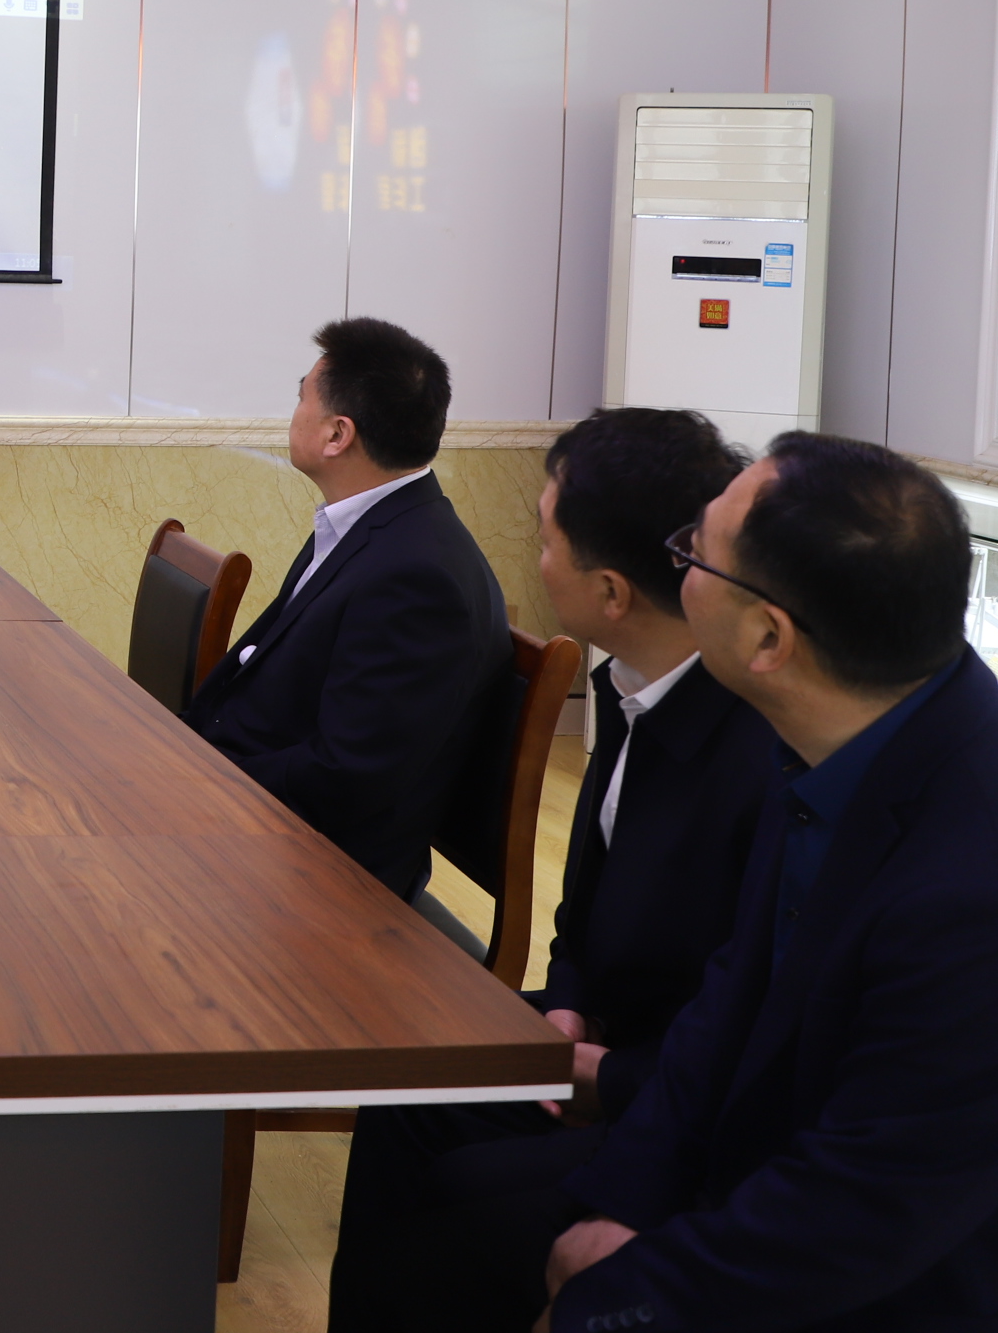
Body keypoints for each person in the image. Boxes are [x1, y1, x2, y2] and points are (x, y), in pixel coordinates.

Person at [539, 434, 998, 1333]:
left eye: (694, 553)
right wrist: (622, 1200)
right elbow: (731, 1006)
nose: (674, 568)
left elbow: (864, 1214)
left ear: (769, 637)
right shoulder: (846, 738)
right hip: (801, 1190)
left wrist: (620, 1299)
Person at [326, 407, 781, 1331]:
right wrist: (568, 999)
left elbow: (748, 1017)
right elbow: (585, 912)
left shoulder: (757, 754)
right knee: (406, 1094)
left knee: (468, 1201)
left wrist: (606, 1073)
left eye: (544, 541)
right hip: (607, 1042)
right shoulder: (631, 687)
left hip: (681, 1092)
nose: (534, 562)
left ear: (611, 592)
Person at [181, 316, 505, 899]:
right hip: (260, 815)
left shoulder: (417, 578)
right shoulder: (371, 525)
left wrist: (204, 778)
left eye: (301, 396)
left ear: (337, 434)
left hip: (320, 876)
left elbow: (345, 776)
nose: (294, 412)